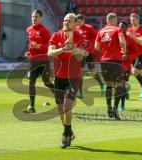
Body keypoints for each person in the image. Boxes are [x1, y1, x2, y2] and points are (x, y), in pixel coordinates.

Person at [48, 13, 87, 148]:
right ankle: (70, 131)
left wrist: (73, 48)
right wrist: (63, 49)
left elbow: (81, 59)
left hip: (73, 77)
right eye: (65, 20)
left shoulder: (80, 37)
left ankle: (65, 135)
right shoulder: (56, 35)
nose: (66, 22)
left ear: (75, 24)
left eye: (69, 21)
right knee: (60, 108)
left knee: (67, 106)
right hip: (59, 77)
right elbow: (50, 53)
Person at [95, 13, 127, 120]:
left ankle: (108, 107)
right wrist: (124, 50)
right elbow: (122, 41)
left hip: (104, 61)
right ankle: (115, 108)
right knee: (119, 85)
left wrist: (105, 52)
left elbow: (96, 47)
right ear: (114, 20)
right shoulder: (118, 29)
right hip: (115, 61)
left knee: (108, 85)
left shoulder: (100, 31)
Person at [24, 10, 55, 113]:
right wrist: (29, 52)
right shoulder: (29, 30)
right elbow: (31, 45)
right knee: (31, 82)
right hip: (33, 61)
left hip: (43, 61)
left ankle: (60, 97)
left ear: (40, 18)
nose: (34, 18)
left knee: (46, 82)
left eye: (36, 17)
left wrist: (39, 46)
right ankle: (31, 106)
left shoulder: (44, 31)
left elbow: (50, 46)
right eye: (33, 16)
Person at [75, 14, 105, 98]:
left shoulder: (89, 28)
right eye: (77, 21)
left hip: (90, 53)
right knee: (79, 73)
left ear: (83, 20)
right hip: (81, 54)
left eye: (79, 21)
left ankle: (102, 84)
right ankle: (80, 92)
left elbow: (97, 37)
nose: (78, 23)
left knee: (92, 72)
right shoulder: (76, 29)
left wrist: (91, 45)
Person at [127, 13, 142, 100]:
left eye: (134, 19)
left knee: (134, 71)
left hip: (141, 54)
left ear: (138, 20)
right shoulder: (129, 29)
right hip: (132, 55)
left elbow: (141, 42)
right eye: (131, 20)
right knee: (139, 73)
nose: (132, 21)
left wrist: (132, 36)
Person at [119, 21, 138, 111]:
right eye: (119, 26)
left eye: (122, 26)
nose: (120, 28)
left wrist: (128, 56)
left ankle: (122, 105)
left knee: (122, 85)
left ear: (126, 28)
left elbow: (135, 53)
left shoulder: (130, 39)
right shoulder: (114, 37)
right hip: (115, 64)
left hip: (125, 66)